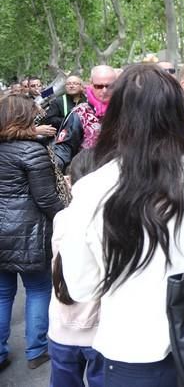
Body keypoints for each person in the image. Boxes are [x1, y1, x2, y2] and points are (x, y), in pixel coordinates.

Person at [59, 64, 184, 385]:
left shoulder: (91, 188)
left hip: (128, 353)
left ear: (118, 116)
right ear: (176, 115)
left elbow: (82, 285)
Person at [0, 94, 66, 371]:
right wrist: (66, 217)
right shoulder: (32, 150)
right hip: (30, 233)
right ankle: (36, 350)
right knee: (39, 289)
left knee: (2, 293)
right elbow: (46, 199)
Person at [48, 150, 104, 387]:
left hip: (61, 326)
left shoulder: (62, 218)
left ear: (70, 181)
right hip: (99, 332)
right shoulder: (111, 220)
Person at [53, 65, 117, 171]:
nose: (104, 90)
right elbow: (64, 148)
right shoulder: (77, 111)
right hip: (88, 176)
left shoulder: (127, 110)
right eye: (99, 86)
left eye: (109, 86)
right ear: (91, 85)